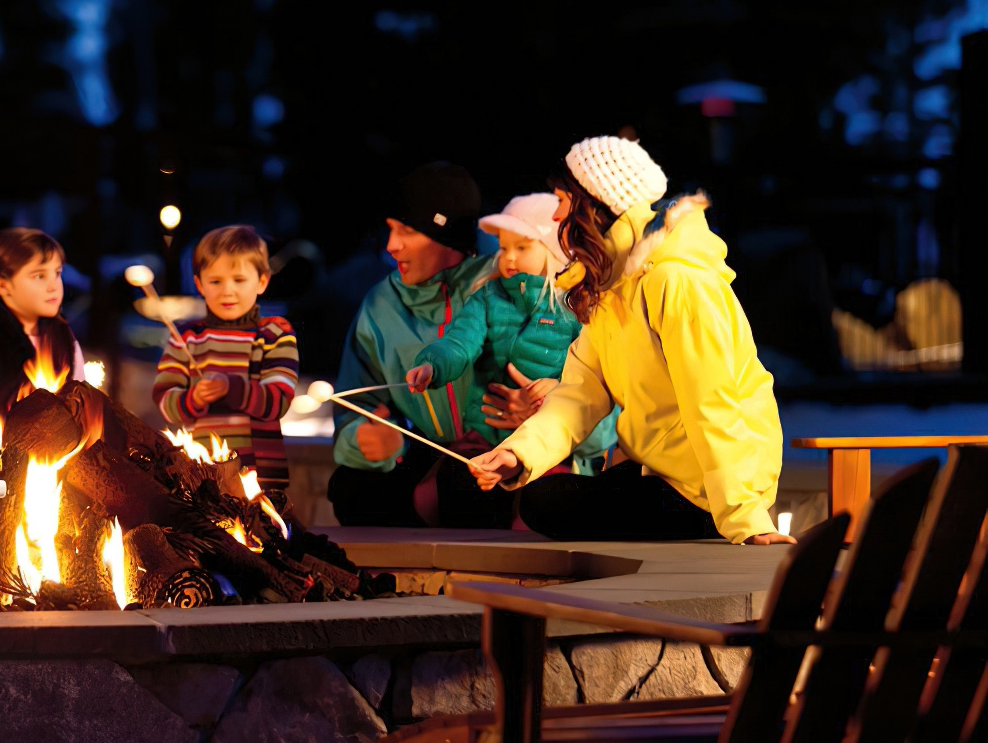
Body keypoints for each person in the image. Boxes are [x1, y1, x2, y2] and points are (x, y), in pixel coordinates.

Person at [468, 134, 793, 545]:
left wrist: (746, 517)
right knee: (539, 498)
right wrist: (520, 454)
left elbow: (713, 402)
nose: (556, 217)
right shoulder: (613, 285)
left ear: (595, 204)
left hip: (709, 491)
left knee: (547, 503)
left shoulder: (677, 282)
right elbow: (579, 393)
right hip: (662, 471)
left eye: (563, 201)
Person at [327, 163, 540, 527]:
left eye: (407, 231)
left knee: (465, 486)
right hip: (433, 453)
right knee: (348, 489)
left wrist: (540, 408)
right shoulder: (381, 306)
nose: (392, 245)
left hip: (510, 451)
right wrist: (367, 439)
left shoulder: (509, 278)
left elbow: (577, 372)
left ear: (447, 237)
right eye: (391, 229)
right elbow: (354, 405)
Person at [407, 193, 617, 471]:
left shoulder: (578, 306)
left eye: (522, 247)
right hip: (485, 435)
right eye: (504, 248)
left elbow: (595, 380)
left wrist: (555, 391)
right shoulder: (488, 296)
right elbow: (461, 341)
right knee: (448, 488)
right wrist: (432, 365)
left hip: (554, 448)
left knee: (536, 503)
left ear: (555, 250)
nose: (509, 257)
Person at [152, 225, 300, 490]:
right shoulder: (186, 336)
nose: (227, 291)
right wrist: (194, 398)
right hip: (201, 477)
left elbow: (278, 400)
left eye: (239, 280)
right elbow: (165, 401)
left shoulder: (275, 333)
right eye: (216, 281)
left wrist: (230, 388)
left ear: (263, 281)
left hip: (260, 478)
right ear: (199, 283)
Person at [0, 227, 85, 421]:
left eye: (57, 273)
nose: (54, 286)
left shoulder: (65, 340)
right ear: (3, 285)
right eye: (39, 276)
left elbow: (83, 410)